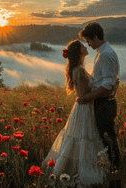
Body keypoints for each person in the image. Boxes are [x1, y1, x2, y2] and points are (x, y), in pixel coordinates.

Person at [41, 39, 111, 187]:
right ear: (79, 52)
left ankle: (73, 170)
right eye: (82, 46)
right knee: (83, 137)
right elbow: (85, 93)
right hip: (85, 108)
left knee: (79, 138)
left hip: (83, 107)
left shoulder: (78, 68)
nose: (86, 47)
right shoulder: (79, 70)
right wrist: (103, 88)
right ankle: (80, 174)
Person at [77, 22, 121, 188]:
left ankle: (115, 173)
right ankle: (111, 171)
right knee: (105, 137)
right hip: (102, 101)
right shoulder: (102, 52)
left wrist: (89, 96)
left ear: (95, 37)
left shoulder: (105, 54)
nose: (88, 44)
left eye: (88, 40)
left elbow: (108, 83)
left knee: (107, 138)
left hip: (104, 103)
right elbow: (106, 80)